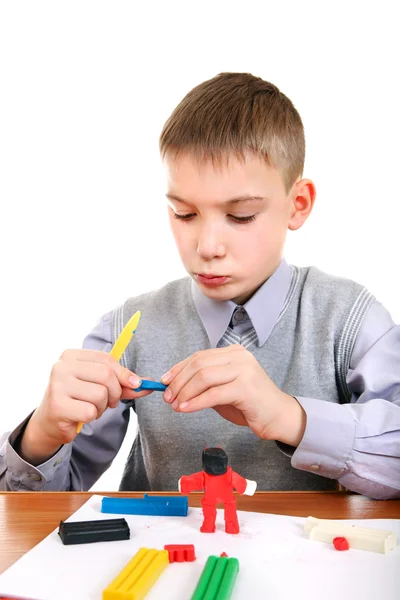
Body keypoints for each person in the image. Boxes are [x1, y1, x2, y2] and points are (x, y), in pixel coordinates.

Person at [1, 73, 399, 498]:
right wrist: (42, 434)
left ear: (297, 204)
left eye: (241, 216)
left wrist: (289, 417)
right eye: (184, 213)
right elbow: (32, 514)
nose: (207, 247)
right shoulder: (127, 329)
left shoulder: (351, 320)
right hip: (162, 563)